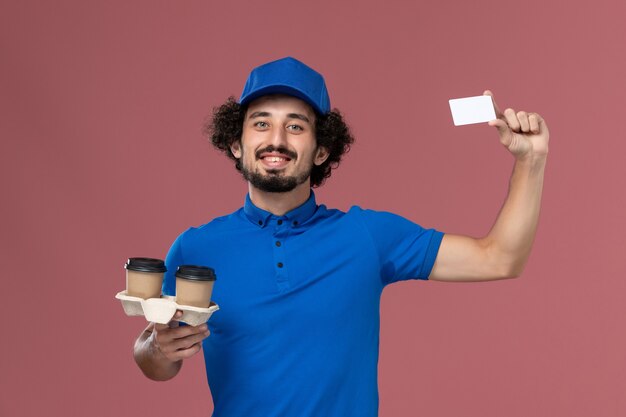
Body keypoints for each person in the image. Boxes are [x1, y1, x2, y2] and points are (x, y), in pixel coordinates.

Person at [133, 57, 549, 417]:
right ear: (237, 144)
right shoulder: (195, 247)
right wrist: (158, 347)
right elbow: (155, 361)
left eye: (295, 126)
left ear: (321, 150)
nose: (276, 140)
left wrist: (531, 162)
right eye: (261, 124)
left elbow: (500, 258)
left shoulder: (366, 236)